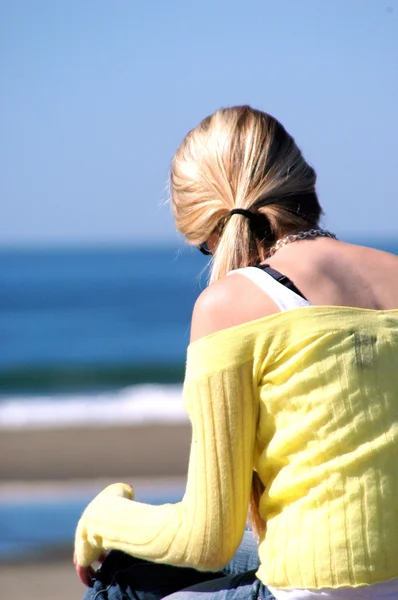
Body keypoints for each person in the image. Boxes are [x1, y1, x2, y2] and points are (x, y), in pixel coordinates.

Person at [74, 105, 398, 600]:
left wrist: (101, 518)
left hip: (318, 588)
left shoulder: (228, 303)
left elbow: (206, 540)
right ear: (303, 183)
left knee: (118, 576)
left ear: (210, 226)